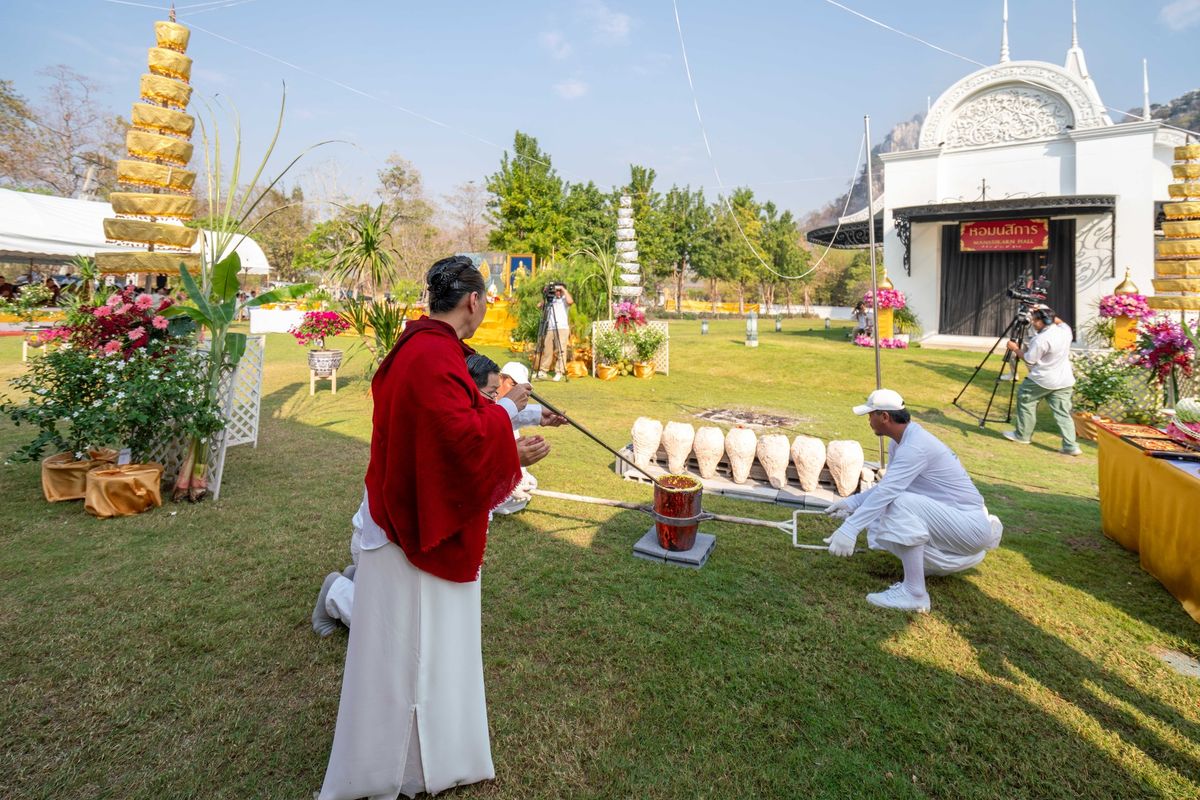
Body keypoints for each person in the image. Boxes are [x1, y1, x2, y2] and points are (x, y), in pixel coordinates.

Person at [319, 255, 552, 800]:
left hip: (400, 510)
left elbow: (453, 419)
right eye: (486, 299)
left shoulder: (423, 347)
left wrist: (514, 421)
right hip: (414, 526)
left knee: (409, 652)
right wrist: (504, 415)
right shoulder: (431, 355)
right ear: (473, 300)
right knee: (407, 652)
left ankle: (421, 761)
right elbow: (456, 439)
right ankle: (401, 765)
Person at [823, 389, 1004, 613]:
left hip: (970, 527)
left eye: (870, 415)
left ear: (884, 417)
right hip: (960, 522)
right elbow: (889, 485)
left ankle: (914, 593)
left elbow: (889, 491)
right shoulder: (901, 442)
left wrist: (850, 529)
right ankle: (921, 570)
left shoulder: (915, 446)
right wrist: (852, 503)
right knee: (891, 505)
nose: (868, 420)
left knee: (899, 503)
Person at [1002, 306, 1080, 455]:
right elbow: (1059, 321)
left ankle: (1022, 436)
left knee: (1026, 402)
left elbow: (1029, 360)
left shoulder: (1040, 339)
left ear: (1041, 321)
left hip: (1042, 379)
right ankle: (1071, 446)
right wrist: (1043, 308)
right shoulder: (1065, 330)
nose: (1032, 322)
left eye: (1034, 320)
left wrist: (1014, 348)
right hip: (1064, 380)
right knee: (1063, 413)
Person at [493, 361, 567, 514]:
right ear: (500, 379)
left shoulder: (505, 410)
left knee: (529, 484)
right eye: (513, 385)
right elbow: (495, 419)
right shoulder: (486, 405)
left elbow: (509, 415)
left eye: (521, 390)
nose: (517, 393)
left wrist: (540, 414)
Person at [535, 282, 573, 381]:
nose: (557, 292)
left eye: (559, 290)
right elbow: (539, 306)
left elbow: (570, 301)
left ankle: (559, 371)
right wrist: (546, 293)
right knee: (547, 350)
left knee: (561, 350)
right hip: (550, 327)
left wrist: (563, 289)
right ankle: (543, 371)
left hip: (562, 327)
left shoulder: (564, 299)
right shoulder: (551, 300)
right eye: (556, 290)